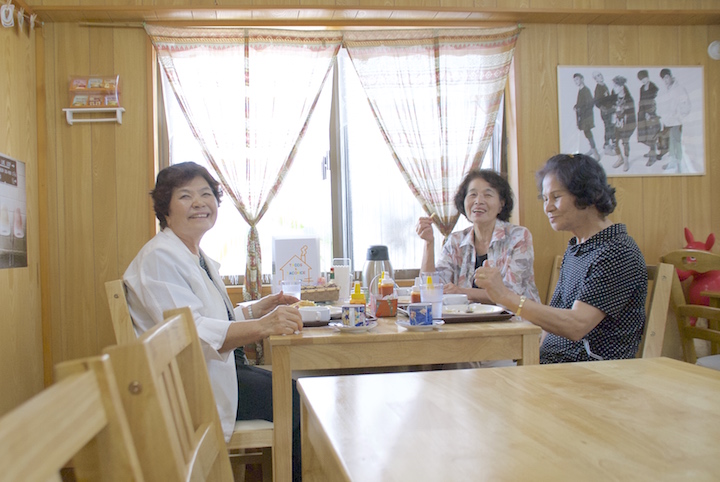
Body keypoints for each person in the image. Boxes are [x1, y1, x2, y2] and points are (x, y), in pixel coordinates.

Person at [123, 162, 304, 480]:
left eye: (206, 194)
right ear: (165, 209)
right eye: (185, 196)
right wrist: (264, 327)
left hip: (217, 372)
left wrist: (257, 309)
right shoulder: (159, 258)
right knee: (300, 402)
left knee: (298, 393)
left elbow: (213, 318)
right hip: (191, 388)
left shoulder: (193, 255)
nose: (199, 203)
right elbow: (193, 330)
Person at [473, 154, 647, 364]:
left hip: (592, 374)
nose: (547, 208)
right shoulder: (577, 248)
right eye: (545, 199)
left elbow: (575, 326)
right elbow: (551, 323)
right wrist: (531, 362)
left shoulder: (617, 251)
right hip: (553, 366)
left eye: (556, 197)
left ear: (587, 194)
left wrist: (504, 296)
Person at [415, 169, 540, 305]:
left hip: (516, 321)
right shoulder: (456, 241)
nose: (478, 201)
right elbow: (431, 287)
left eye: (488, 195)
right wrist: (428, 242)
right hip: (469, 322)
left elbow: (511, 293)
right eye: (473, 194)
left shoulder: (519, 237)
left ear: (501, 204)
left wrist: (460, 292)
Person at [657, 68, 691, 172]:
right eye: (663, 79)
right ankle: (672, 163)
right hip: (668, 121)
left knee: (676, 142)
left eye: (667, 77)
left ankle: (679, 166)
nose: (666, 80)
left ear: (671, 76)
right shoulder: (666, 90)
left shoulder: (679, 89)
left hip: (676, 121)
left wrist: (678, 116)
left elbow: (686, 106)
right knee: (670, 142)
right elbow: (663, 105)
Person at [610, 76, 636, 172]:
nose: (614, 88)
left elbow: (631, 114)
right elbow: (611, 108)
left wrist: (622, 110)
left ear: (622, 86)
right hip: (616, 123)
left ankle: (626, 160)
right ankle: (620, 158)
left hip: (625, 124)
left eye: (616, 86)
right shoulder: (614, 96)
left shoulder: (629, 99)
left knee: (625, 142)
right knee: (614, 141)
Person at [636, 70, 661, 166]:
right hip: (643, 114)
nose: (643, 80)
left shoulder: (654, 88)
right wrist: (641, 114)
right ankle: (653, 148)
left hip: (652, 114)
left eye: (644, 78)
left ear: (648, 76)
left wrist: (650, 113)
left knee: (651, 136)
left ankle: (652, 157)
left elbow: (655, 102)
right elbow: (641, 101)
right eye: (641, 79)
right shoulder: (642, 88)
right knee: (643, 136)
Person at [573, 73, 600, 160]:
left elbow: (590, 104)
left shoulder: (586, 90)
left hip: (586, 116)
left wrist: (581, 109)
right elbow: (581, 102)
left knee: (587, 132)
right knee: (586, 132)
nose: (576, 82)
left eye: (577, 79)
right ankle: (592, 149)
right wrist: (576, 106)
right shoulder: (580, 91)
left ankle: (595, 151)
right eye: (575, 80)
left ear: (582, 79)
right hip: (582, 116)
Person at [592, 71, 616, 156]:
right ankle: (606, 146)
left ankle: (613, 144)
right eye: (598, 76)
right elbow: (597, 102)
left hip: (610, 110)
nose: (600, 76)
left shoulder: (604, 85)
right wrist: (603, 108)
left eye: (600, 75)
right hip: (606, 112)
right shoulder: (598, 88)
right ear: (595, 79)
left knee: (612, 127)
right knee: (608, 128)